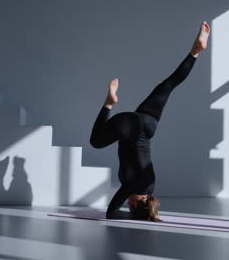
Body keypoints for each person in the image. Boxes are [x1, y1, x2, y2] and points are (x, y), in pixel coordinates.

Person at [90, 21, 210, 221]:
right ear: (135, 204)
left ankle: (195, 52)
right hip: (129, 127)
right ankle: (109, 103)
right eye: (129, 206)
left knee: (169, 84)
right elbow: (111, 214)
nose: (127, 203)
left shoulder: (151, 186)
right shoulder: (132, 187)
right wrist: (135, 217)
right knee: (95, 142)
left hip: (148, 124)